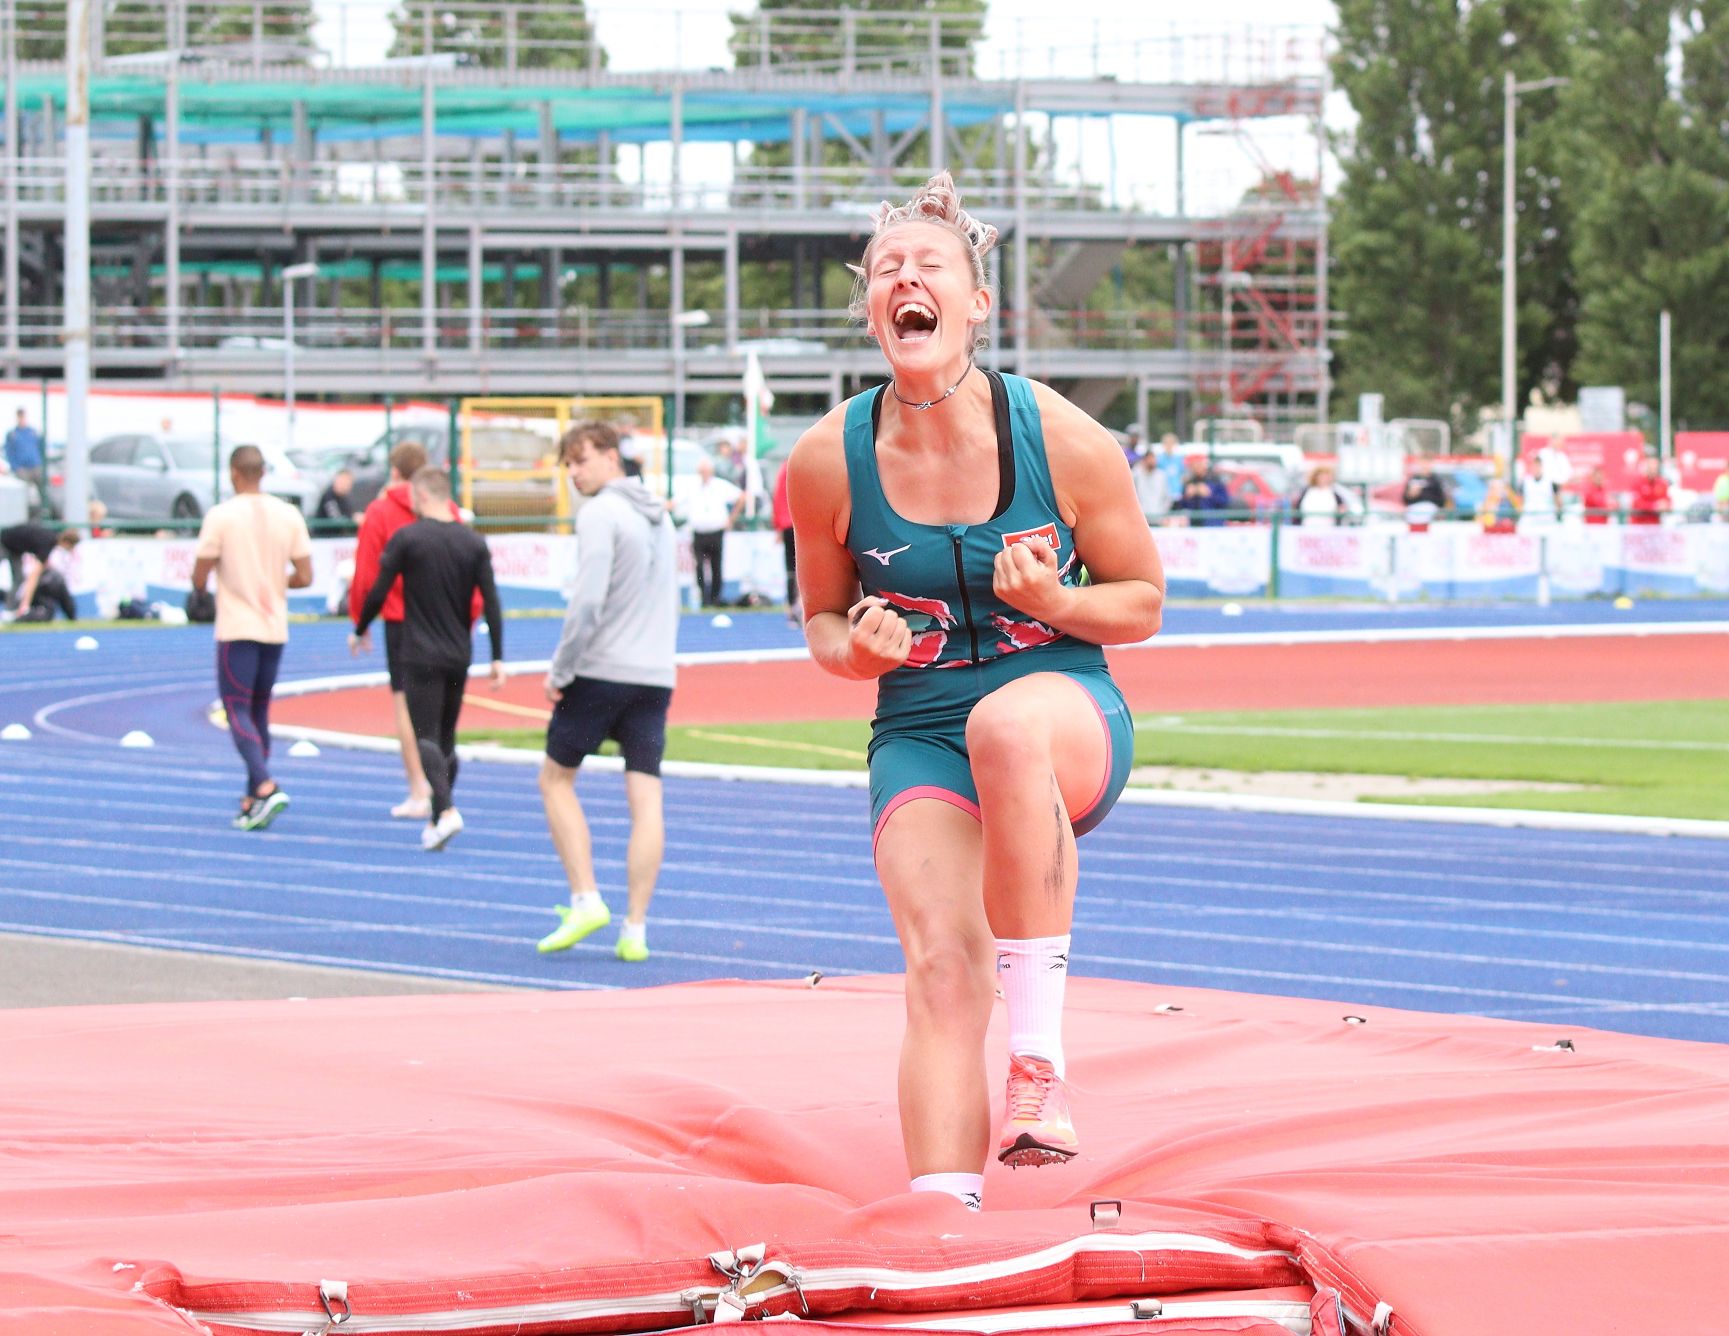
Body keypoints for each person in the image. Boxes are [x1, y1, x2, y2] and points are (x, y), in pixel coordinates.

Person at [786, 172, 1164, 1210]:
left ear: (977, 302)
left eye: (929, 265)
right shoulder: (825, 458)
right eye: (885, 270)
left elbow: (1141, 603)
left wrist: (1056, 600)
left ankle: (1036, 1063)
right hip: (916, 732)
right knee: (943, 972)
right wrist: (855, 652)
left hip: (1062, 716)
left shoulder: (1063, 438)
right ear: (871, 306)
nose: (905, 281)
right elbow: (818, 618)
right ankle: (937, 1226)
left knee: (1004, 721)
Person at [534, 422, 679, 964]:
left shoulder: (599, 514)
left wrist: (560, 670)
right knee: (646, 798)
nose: (574, 473)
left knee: (554, 781)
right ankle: (636, 928)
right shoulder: (660, 515)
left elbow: (588, 602)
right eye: (568, 464)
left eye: (581, 460)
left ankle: (586, 897)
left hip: (600, 670)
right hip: (654, 673)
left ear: (612, 457)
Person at [351, 466, 505, 852]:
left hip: (419, 651)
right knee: (447, 739)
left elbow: (378, 590)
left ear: (419, 497)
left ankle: (447, 809)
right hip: (459, 653)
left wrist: (359, 628)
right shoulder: (473, 543)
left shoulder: (408, 539)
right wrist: (498, 657)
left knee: (425, 736)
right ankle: (438, 819)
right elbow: (492, 603)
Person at [190, 445, 313, 831]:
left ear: (233, 474)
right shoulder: (288, 514)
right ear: (264, 472)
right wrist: (276, 581)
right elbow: (306, 576)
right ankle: (252, 801)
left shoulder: (222, 516)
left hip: (238, 624)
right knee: (258, 710)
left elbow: (200, 572)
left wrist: (206, 589)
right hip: (273, 624)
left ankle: (264, 783)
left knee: (236, 709)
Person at [351, 440, 471, 820]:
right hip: (447, 615)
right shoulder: (446, 508)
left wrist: (360, 620)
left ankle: (420, 789)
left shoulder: (381, 511)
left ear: (396, 471)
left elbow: (368, 571)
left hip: (401, 618)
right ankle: (442, 787)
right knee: (445, 705)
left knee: (407, 705)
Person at [678, 455, 745, 607]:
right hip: (699, 532)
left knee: (716, 566)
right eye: (701, 471)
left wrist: (730, 519)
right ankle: (704, 598)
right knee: (699, 567)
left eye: (706, 470)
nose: (704, 474)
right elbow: (676, 501)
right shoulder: (692, 487)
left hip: (716, 531)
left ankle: (715, 598)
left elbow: (741, 497)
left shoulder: (720, 486)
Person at [1, 522, 78, 621]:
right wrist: (25, 604)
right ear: (67, 543)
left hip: (16, 549)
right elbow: (33, 576)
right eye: (70, 548)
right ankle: (13, 610)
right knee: (19, 579)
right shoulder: (47, 543)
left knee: (18, 579)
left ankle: (8, 611)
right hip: (4, 543)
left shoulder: (50, 536)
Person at [772, 457, 800, 624]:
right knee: (804, 568)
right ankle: (800, 608)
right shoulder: (805, 465)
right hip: (800, 524)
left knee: (791, 568)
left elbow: (777, 498)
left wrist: (778, 525)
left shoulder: (784, 468)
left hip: (787, 524)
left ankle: (791, 607)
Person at [4, 409, 44, 515]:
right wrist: (15, 467)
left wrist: (39, 462)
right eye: (20, 417)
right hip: (22, 468)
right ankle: (23, 512)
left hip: (35, 466)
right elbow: (9, 452)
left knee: (43, 488)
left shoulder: (32, 432)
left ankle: (44, 511)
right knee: (23, 492)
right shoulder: (13, 434)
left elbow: (40, 447)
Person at [1171, 455, 1229, 525]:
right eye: (1193, 465)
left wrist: (1209, 494)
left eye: (1198, 464)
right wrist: (1187, 496)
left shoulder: (1215, 480)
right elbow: (1180, 505)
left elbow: (1224, 502)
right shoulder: (1189, 482)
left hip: (1213, 523)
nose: (1196, 467)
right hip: (1193, 523)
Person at [1401, 463, 1448, 529]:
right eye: (1423, 466)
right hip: (1414, 508)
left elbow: (1441, 499)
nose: (1425, 468)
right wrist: (1411, 494)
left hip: (1431, 507)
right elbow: (1405, 499)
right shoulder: (1413, 479)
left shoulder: (1436, 480)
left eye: (1427, 465)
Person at [1131, 446, 1171, 522]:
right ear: (1144, 460)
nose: (1151, 461)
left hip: (1158, 518)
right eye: (1149, 459)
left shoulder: (1161, 476)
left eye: (1153, 458)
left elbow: (1167, 497)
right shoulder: (1138, 474)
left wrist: (1163, 513)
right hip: (1142, 519)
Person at [1518, 454, 1559, 526]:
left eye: (1538, 465)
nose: (1536, 468)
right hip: (1529, 519)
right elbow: (1520, 502)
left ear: (1542, 467)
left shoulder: (1551, 483)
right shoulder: (1525, 483)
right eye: (1534, 466)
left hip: (1546, 519)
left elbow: (1557, 502)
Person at [1629, 456, 1671, 525]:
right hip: (1638, 525)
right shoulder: (1637, 482)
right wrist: (1654, 506)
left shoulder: (1662, 483)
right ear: (1646, 468)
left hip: (1655, 525)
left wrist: (1666, 505)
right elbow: (1636, 503)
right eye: (1651, 468)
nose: (1653, 470)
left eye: (1655, 468)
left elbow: (1667, 499)